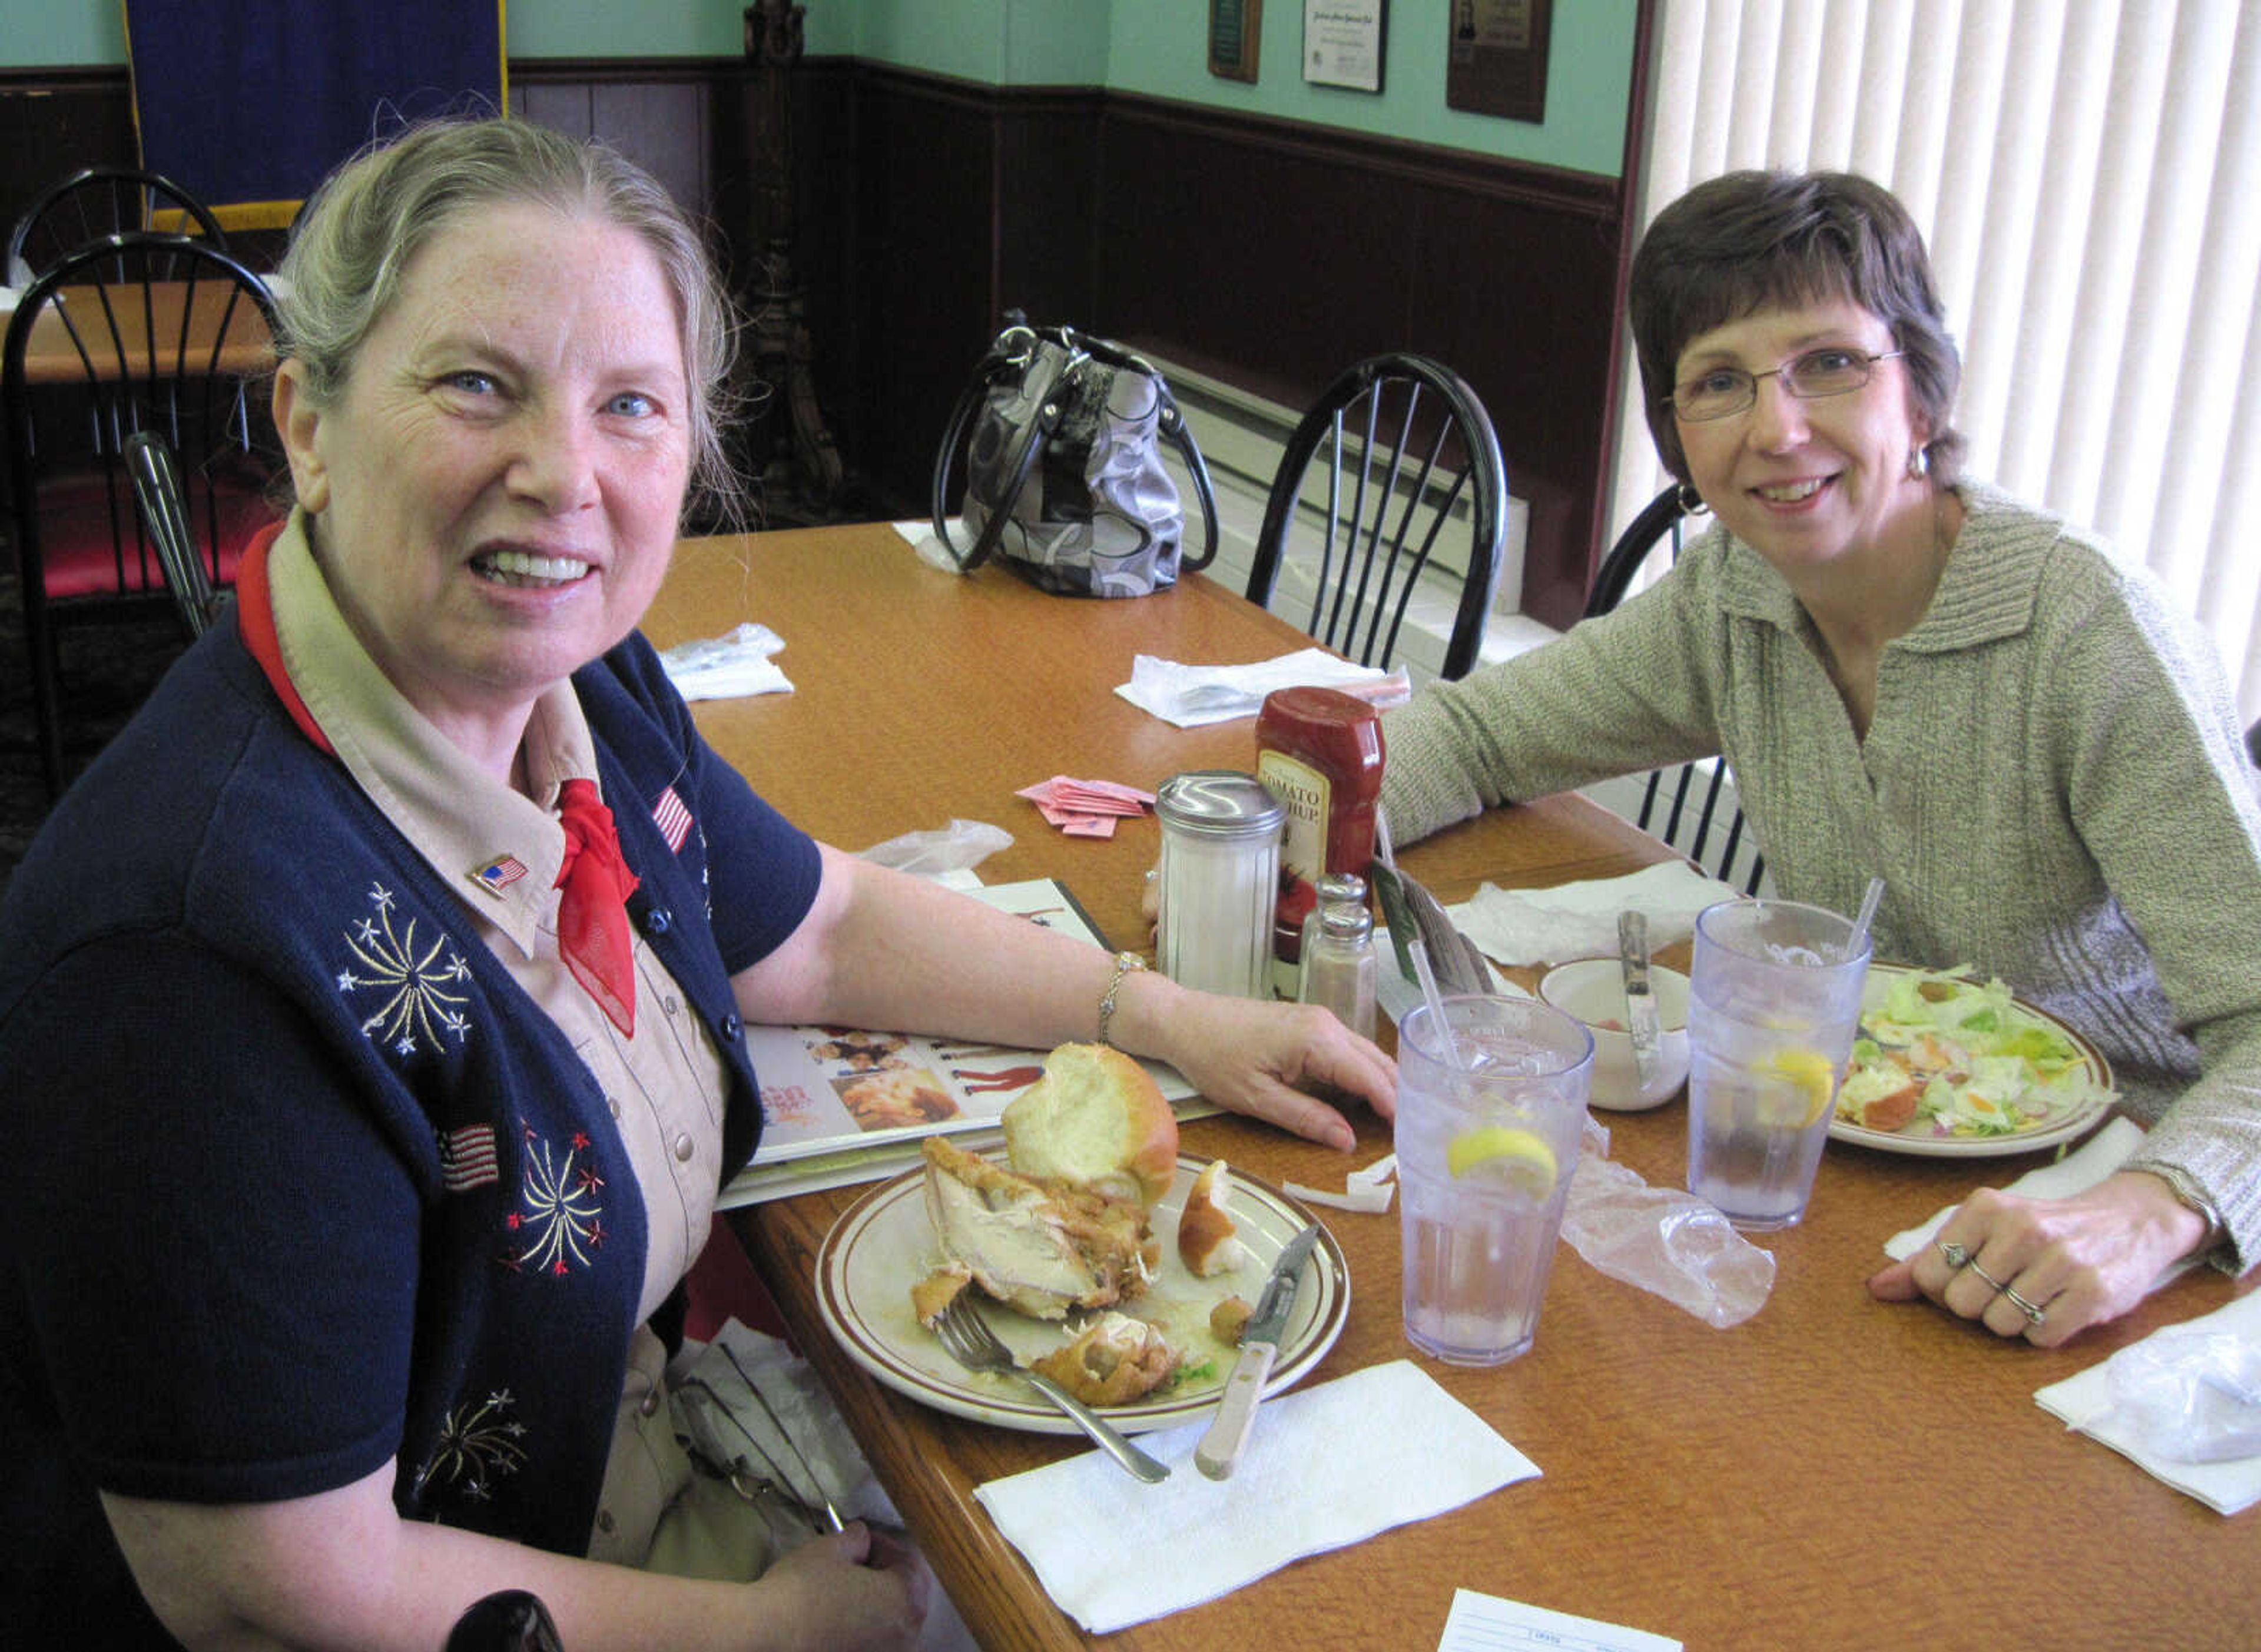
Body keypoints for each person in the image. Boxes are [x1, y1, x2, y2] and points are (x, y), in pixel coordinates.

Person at [0, 119, 1395, 1651]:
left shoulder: (588, 686)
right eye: (477, 383)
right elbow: (276, 1587)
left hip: (633, 1476)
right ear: (308, 423)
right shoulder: (195, 955)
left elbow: (825, 926)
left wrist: (1178, 1018)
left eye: (630, 406)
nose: (564, 473)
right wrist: (765, 1630)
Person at [1379, 169, 2259, 1348]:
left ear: (1925, 390)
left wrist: (2154, 1211)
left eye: (1831, 364)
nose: (1778, 428)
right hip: (1845, 1182)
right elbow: (1478, 733)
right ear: (1679, 436)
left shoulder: (2087, 633)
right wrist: (1307, 830)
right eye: (1720, 383)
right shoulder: (1735, 598)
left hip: (2127, 1226)